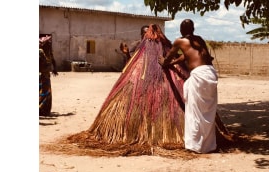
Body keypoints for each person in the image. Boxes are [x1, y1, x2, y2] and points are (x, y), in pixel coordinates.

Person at [67, 24, 190, 155]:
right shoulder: (139, 49)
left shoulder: (163, 50)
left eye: (146, 33)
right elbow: (131, 65)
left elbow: (177, 60)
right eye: (143, 33)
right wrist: (126, 55)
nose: (145, 37)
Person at [159, 19, 222, 153]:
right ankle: (208, 145)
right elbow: (187, 56)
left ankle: (195, 145)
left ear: (181, 30)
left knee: (194, 110)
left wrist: (164, 62)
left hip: (199, 75)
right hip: (211, 73)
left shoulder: (179, 41)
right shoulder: (198, 40)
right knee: (207, 111)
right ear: (193, 29)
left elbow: (168, 58)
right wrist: (176, 62)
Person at [39, 35, 59, 116]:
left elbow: (53, 60)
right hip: (41, 77)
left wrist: (54, 69)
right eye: (48, 43)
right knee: (42, 92)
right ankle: (40, 109)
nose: (50, 44)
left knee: (47, 93)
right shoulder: (40, 52)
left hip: (46, 76)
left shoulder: (49, 52)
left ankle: (45, 110)